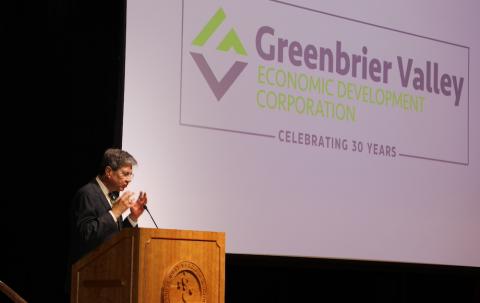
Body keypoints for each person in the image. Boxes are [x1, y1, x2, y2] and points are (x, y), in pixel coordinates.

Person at [68, 148, 148, 267]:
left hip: (110, 272)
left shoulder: (113, 195)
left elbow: (115, 237)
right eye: (125, 174)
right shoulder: (87, 193)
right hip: (88, 276)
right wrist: (114, 212)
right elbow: (86, 235)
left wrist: (133, 217)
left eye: (131, 174)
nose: (129, 180)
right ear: (109, 172)